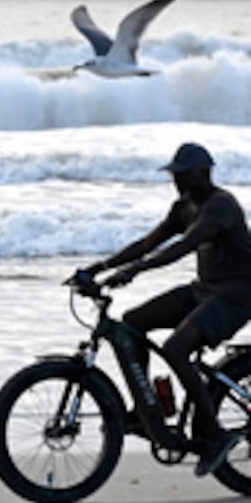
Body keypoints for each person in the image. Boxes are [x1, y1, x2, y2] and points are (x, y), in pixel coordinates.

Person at [80, 142, 251, 477]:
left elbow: (184, 247)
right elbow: (147, 243)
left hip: (237, 295)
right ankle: (146, 410)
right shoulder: (183, 207)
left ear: (204, 172)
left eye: (183, 175)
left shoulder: (221, 206)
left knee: (175, 348)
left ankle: (215, 436)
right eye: (175, 175)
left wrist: (135, 271)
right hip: (205, 291)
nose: (177, 181)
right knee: (131, 324)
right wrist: (97, 268)